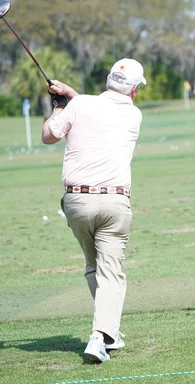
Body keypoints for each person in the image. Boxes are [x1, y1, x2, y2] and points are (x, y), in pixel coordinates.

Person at [41, 58, 147, 363]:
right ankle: (100, 337)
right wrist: (72, 98)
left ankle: (110, 332)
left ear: (108, 79)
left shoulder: (80, 106)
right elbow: (98, 109)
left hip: (77, 203)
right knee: (111, 273)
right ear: (135, 90)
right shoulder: (134, 115)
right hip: (114, 205)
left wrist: (59, 105)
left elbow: (49, 135)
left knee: (94, 266)